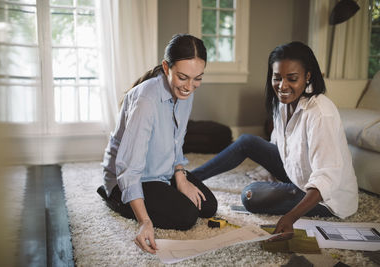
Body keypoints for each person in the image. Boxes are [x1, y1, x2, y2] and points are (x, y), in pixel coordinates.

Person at [191, 41, 358, 240]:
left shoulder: (321, 113)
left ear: (308, 76)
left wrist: (290, 218)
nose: (282, 86)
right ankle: (189, 178)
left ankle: (289, 196)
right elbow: (279, 148)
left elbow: (327, 177)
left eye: (292, 79)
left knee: (251, 195)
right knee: (246, 141)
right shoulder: (281, 103)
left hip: (327, 198)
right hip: (298, 176)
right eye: (277, 78)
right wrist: (267, 172)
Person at [97, 34, 217, 254]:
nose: (190, 86)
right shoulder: (146, 101)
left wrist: (180, 177)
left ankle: (166, 189)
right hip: (133, 177)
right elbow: (129, 167)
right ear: (166, 67)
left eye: (197, 78)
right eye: (183, 77)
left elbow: (176, 143)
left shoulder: (185, 92)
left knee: (208, 206)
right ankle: (115, 199)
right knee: (187, 216)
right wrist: (144, 221)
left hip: (162, 171)